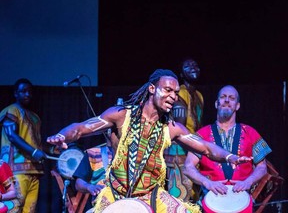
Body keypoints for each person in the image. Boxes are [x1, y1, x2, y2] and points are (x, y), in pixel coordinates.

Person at [47, 69, 251, 213]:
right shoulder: (121, 115)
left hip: (151, 195)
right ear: (152, 89)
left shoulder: (170, 128)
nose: (173, 96)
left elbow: (206, 148)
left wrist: (229, 156)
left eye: (176, 93)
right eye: (168, 90)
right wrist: (62, 136)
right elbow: (82, 128)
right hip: (116, 195)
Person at [183, 85, 272, 212]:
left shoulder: (251, 133)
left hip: (242, 199)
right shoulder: (201, 135)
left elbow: (262, 167)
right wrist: (207, 183)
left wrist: (248, 182)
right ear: (216, 103)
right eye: (223, 97)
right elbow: (188, 167)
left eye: (231, 98)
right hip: (211, 198)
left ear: (237, 105)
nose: (226, 100)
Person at [0, 78, 47, 213]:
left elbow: (36, 142)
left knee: (29, 210)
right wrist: (33, 152)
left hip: (34, 170)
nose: (27, 95)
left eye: (29, 92)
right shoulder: (11, 111)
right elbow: (12, 136)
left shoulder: (35, 117)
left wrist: (52, 149)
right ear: (16, 93)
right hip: (15, 169)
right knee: (14, 208)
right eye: (23, 91)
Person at [164, 58, 204, 201]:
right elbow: (178, 129)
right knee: (180, 196)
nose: (193, 68)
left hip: (193, 148)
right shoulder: (179, 93)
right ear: (181, 74)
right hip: (179, 150)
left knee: (194, 195)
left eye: (195, 65)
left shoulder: (199, 96)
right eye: (188, 66)